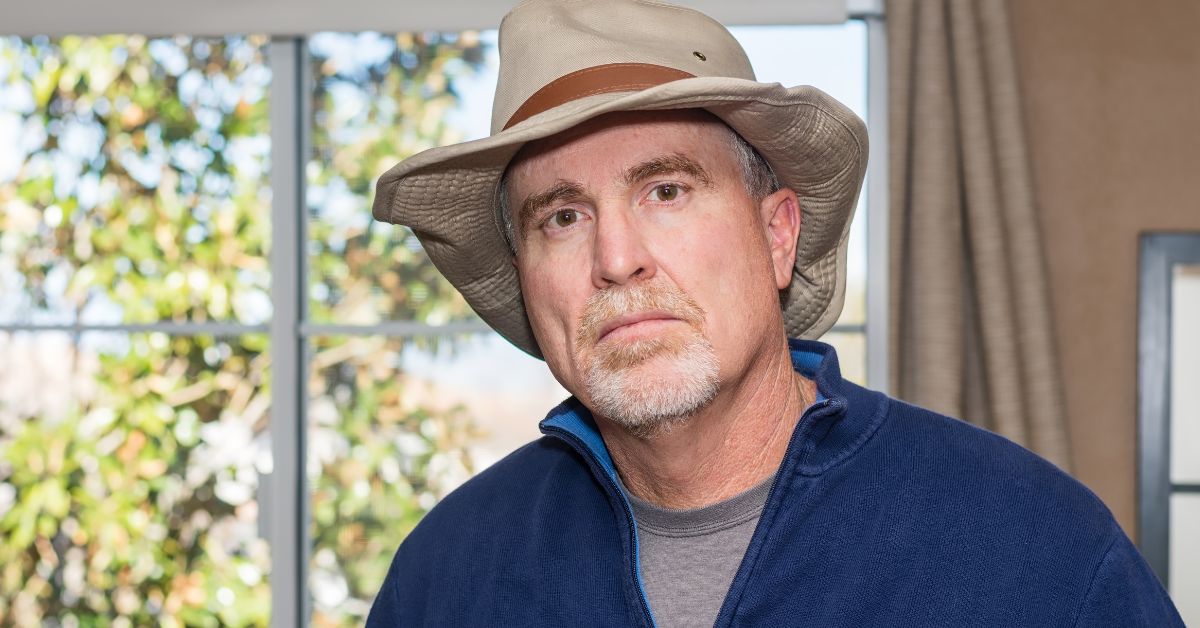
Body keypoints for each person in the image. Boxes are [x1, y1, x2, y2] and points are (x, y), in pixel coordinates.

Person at [364, 1, 1183, 626]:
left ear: (777, 234)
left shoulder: (1033, 549)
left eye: (667, 190)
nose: (616, 258)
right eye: (563, 217)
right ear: (526, 279)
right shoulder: (448, 578)